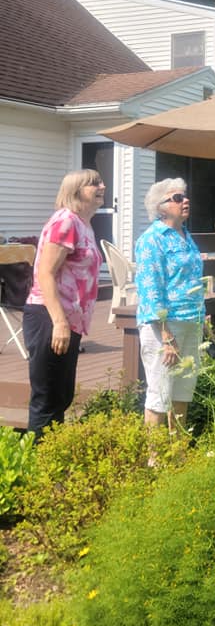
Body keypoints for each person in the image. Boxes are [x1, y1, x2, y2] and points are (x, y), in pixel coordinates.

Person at [23, 169, 105, 434]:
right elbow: (45, 273)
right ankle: (39, 458)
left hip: (69, 321)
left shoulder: (83, 224)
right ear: (76, 191)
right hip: (50, 317)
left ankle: (52, 454)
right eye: (94, 184)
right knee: (47, 399)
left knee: (61, 396)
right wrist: (59, 323)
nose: (102, 186)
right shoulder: (65, 221)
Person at [134, 179, 204, 431]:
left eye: (184, 196)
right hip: (165, 327)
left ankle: (178, 449)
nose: (185, 200)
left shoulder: (185, 236)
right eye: (177, 198)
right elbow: (150, 289)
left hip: (191, 321)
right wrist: (166, 336)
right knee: (160, 394)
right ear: (160, 207)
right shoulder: (151, 240)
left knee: (183, 392)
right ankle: (154, 452)